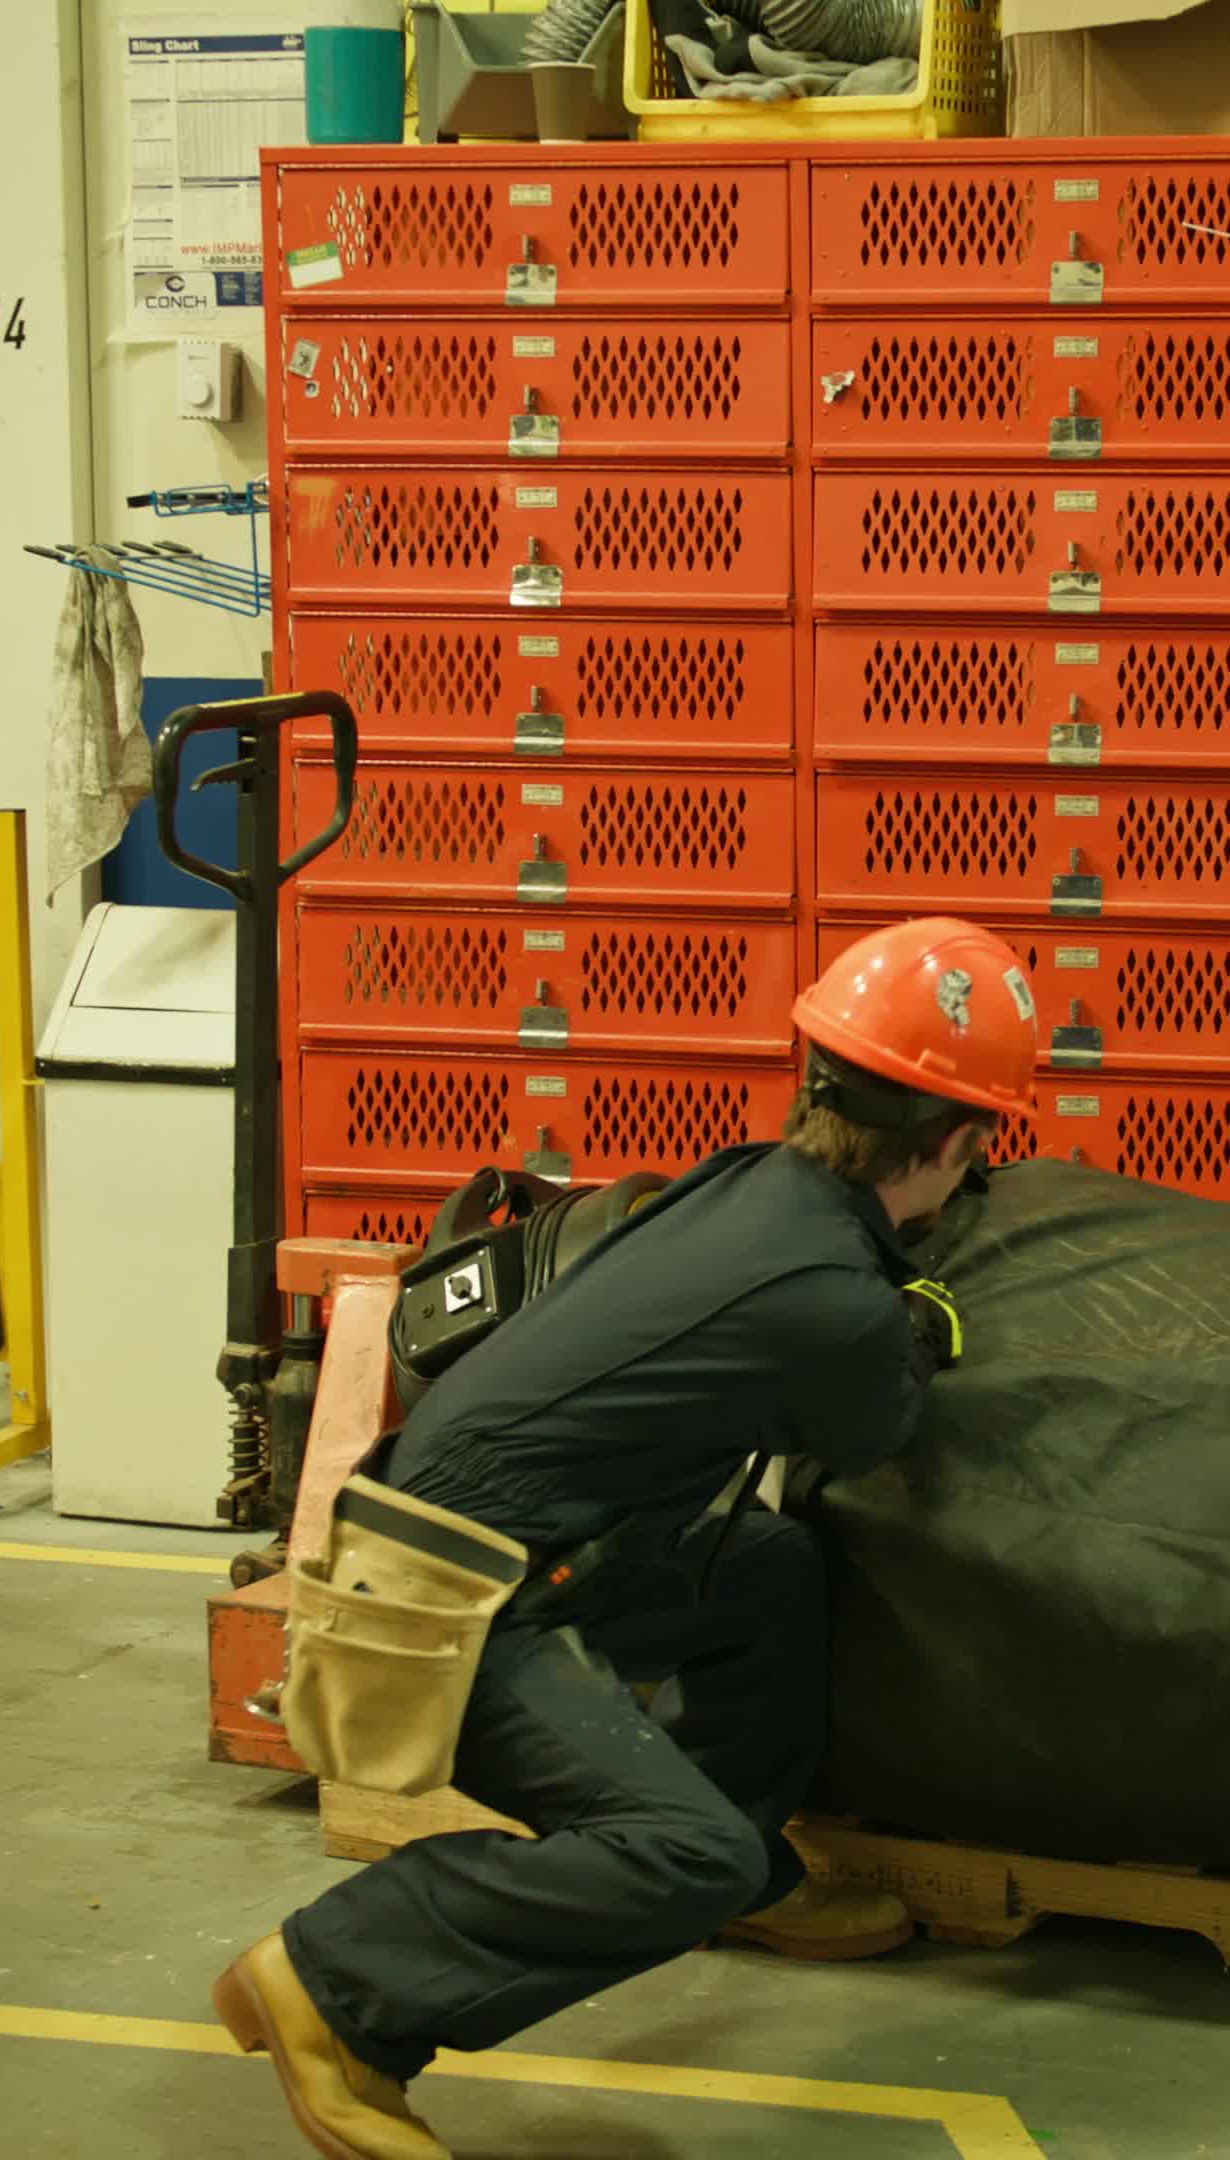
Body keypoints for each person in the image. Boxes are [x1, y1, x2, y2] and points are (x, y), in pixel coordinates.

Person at [213, 917, 1042, 2160]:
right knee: (679, 1854)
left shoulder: (748, 1184)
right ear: (956, 1143)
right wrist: (918, 1328)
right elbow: (875, 1431)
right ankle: (335, 1984)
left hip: (471, 1540)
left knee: (764, 1571)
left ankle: (744, 1869)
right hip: (452, 1608)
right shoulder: (835, 1301)